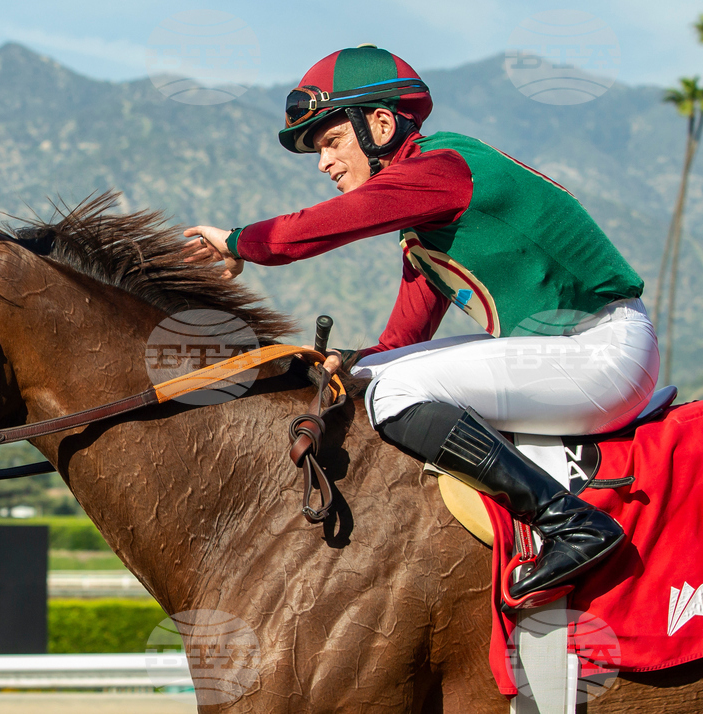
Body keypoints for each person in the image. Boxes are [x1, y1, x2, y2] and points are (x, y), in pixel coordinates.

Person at [182, 45, 659, 607]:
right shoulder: (426, 219)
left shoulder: (442, 167)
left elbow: (326, 226)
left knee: (395, 392)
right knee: (378, 372)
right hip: (572, 349)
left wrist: (240, 242)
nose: (323, 164)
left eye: (331, 141)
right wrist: (355, 361)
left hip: (601, 352)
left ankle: (570, 524)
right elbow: (402, 337)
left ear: (380, 123)